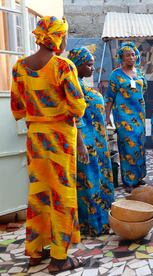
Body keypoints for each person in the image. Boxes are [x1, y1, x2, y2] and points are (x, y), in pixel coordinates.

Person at [10, 16, 86, 273]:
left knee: (39, 193)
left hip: (36, 138)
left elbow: (18, 108)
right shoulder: (63, 67)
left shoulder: (19, 67)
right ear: (57, 37)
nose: (65, 40)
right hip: (60, 139)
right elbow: (78, 107)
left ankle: (35, 251)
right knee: (61, 195)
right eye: (64, 35)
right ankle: (59, 258)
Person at [68, 47, 114, 236]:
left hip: (97, 142)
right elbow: (75, 117)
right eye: (88, 64)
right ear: (77, 65)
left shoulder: (83, 87)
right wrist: (81, 145)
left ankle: (106, 219)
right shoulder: (73, 89)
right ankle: (93, 225)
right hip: (85, 144)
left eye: (93, 64)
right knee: (89, 182)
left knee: (98, 180)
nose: (92, 68)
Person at [105, 41, 146, 193]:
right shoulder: (116, 75)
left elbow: (144, 89)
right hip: (123, 116)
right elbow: (109, 97)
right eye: (127, 55)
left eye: (133, 54)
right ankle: (129, 180)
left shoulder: (139, 73)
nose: (131, 57)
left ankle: (139, 176)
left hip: (139, 114)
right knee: (128, 145)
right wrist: (107, 116)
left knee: (140, 144)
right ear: (121, 57)